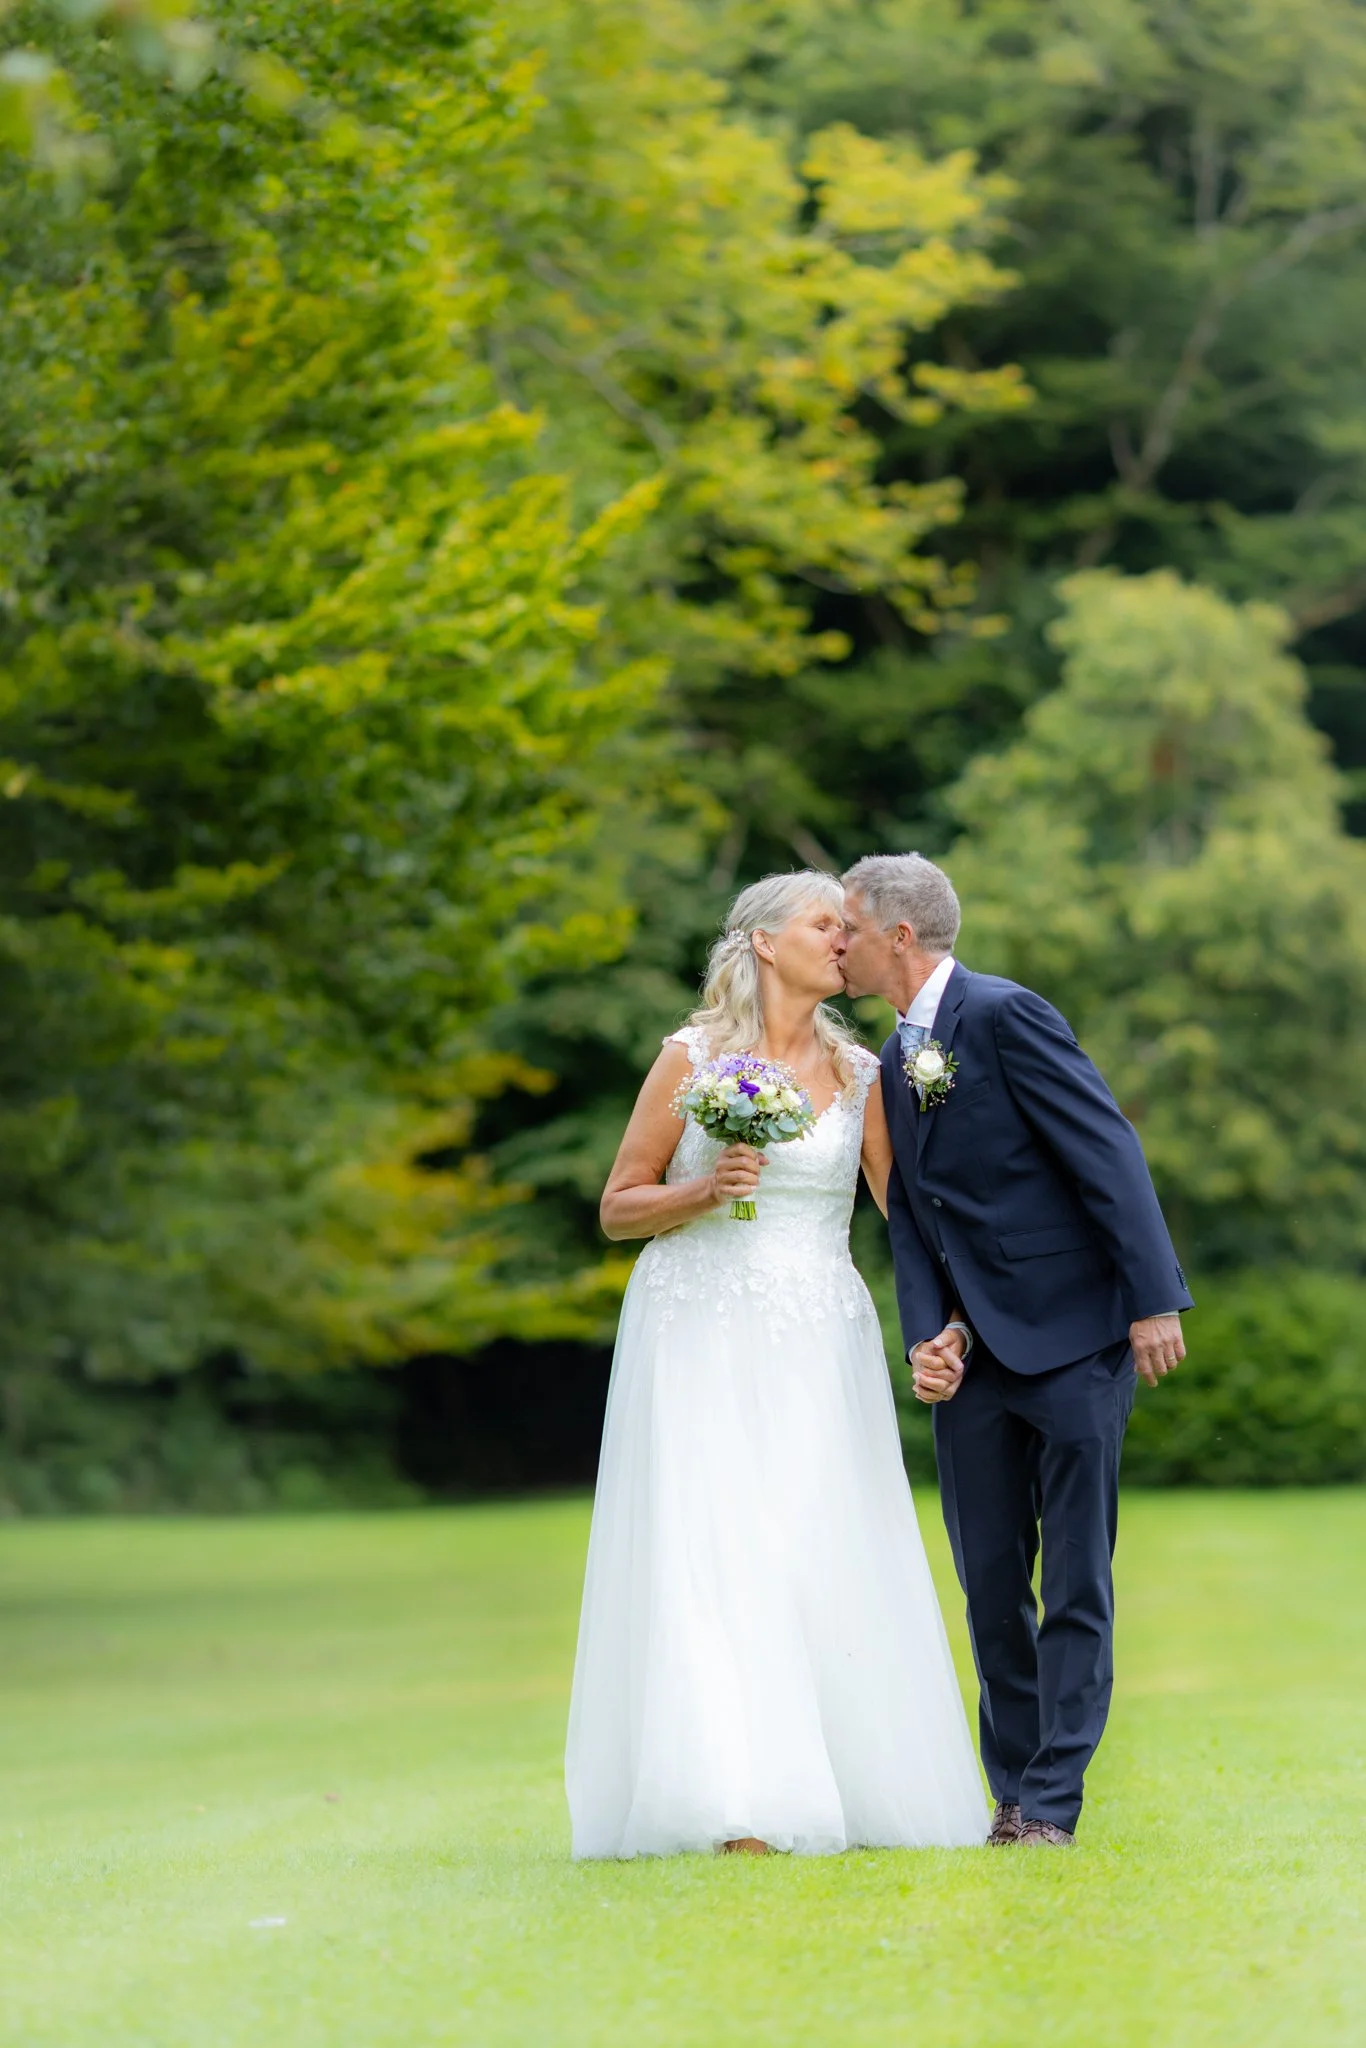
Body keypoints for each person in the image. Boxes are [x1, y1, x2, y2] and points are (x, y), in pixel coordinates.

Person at [565, 870, 987, 1859]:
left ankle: (848, 1783)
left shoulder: (864, 1072)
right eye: (823, 923)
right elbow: (619, 1205)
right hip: (695, 1324)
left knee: (809, 1535)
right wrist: (704, 1190)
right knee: (713, 1544)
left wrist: (955, 1323)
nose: (842, 940)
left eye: (848, 927)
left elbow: (910, 1219)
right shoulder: (692, 1056)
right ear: (763, 940)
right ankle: (735, 1800)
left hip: (816, 1330)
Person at [839, 852, 1192, 1848]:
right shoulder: (894, 1057)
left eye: (849, 927)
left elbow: (1105, 1149)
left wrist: (1152, 1298)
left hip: (1077, 1339)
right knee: (991, 1585)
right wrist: (929, 1334)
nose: (839, 944)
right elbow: (916, 1218)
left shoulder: (1004, 1014)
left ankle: (1047, 1804)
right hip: (974, 1363)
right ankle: (1013, 1784)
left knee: (1076, 1581)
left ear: (898, 935)